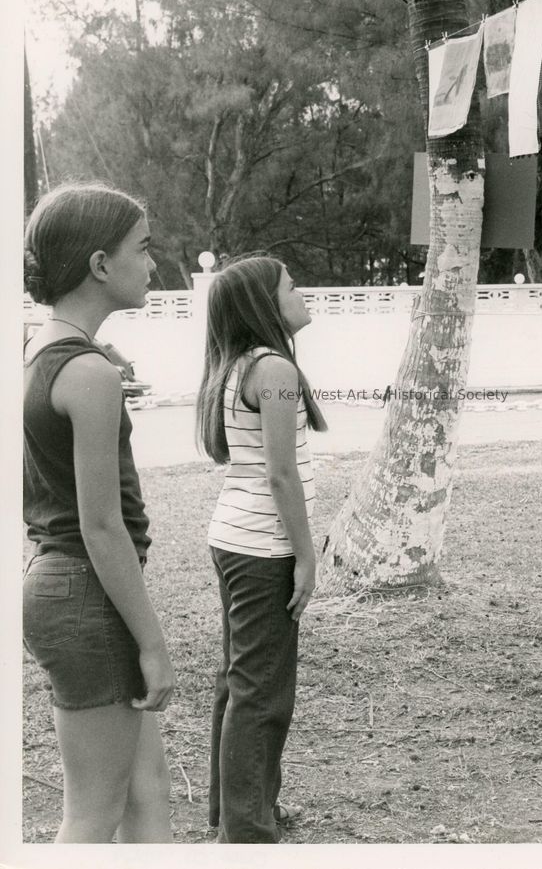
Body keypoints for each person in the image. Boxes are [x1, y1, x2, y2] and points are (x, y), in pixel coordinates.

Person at [22, 183, 175, 843]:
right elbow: (101, 524)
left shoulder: (43, 354)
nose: (153, 264)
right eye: (142, 249)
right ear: (99, 264)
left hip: (67, 589)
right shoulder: (89, 372)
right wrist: (154, 643)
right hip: (86, 592)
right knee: (92, 813)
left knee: (148, 794)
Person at [195, 255, 326, 843]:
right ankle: (246, 831)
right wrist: (305, 556)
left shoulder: (239, 364)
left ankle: (240, 812)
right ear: (264, 305)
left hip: (233, 538)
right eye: (291, 286)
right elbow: (281, 475)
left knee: (240, 681)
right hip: (262, 548)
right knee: (262, 692)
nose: (302, 293)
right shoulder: (273, 368)